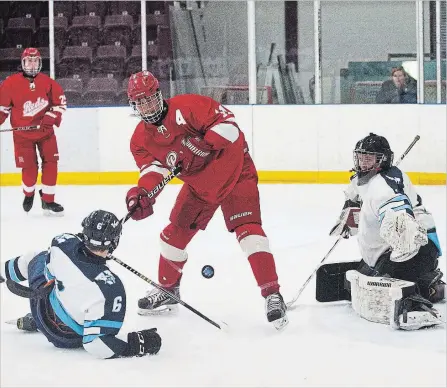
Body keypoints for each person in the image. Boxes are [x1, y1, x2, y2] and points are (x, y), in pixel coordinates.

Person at [124, 70, 288, 330]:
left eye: (149, 99)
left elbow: (230, 128)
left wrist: (205, 143)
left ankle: (272, 295)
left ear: (159, 94)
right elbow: (154, 171)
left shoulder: (189, 105)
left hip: (235, 172)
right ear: (134, 105)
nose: (146, 106)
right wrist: (142, 193)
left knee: (250, 233)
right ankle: (168, 291)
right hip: (200, 186)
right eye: (140, 102)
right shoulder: (140, 140)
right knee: (172, 236)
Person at [0, 210, 162, 359]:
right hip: (64, 337)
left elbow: (53, 272)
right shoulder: (112, 289)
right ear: (114, 243)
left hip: (41, 309)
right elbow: (96, 345)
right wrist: (135, 346)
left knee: (35, 257)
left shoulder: (61, 243)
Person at [329, 133, 445, 329]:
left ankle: (420, 297)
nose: (362, 164)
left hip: (417, 248)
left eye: (369, 159)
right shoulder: (366, 180)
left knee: (382, 285)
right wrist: (350, 212)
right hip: (392, 251)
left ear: (382, 160)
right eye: (360, 157)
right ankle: (429, 283)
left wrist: (403, 240)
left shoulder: (384, 186)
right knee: (364, 277)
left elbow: (400, 217)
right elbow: (357, 191)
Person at [0, 47, 65, 215]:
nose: (32, 64)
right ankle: (29, 194)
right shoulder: (10, 83)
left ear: (40, 63)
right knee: (29, 169)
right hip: (22, 136)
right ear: (22, 62)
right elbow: (3, 109)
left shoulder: (49, 82)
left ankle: (48, 200)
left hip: (46, 133)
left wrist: (50, 118)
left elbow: (60, 104)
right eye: (29, 60)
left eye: (35, 61)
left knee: (51, 163)